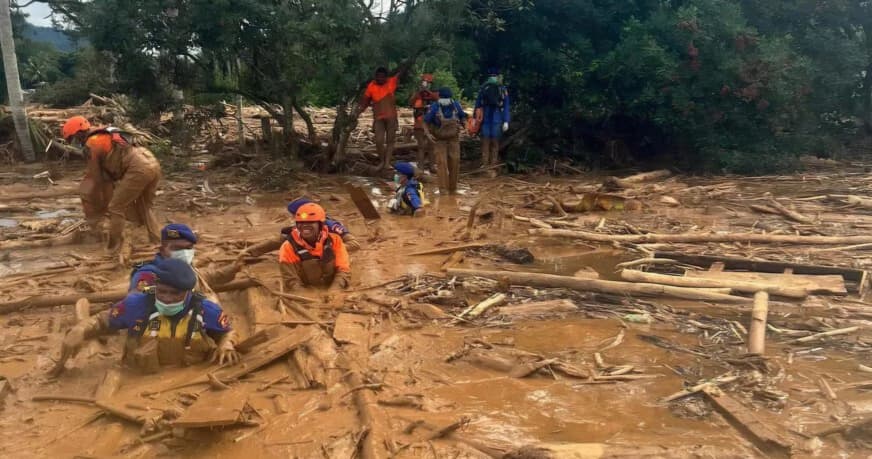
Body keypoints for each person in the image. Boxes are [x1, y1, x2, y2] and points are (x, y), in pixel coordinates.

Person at [58, 258, 240, 373]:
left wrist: (226, 344)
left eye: (175, 294)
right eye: (162, 292)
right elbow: (101, 320)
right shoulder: (135, 305)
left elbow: (227, 331)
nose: (167, 299)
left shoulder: (206, 309)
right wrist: (81, 329)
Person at [62, 116, 162, 251]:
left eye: (73, 138)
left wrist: (99, 205)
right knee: (145, 207)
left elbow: (97, 179)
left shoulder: (92, 143)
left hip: (137, 168)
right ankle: (157, 241)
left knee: (115, 208)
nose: (75, 143)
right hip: (151, 161)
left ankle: (113, 247)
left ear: (79, 133)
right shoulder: (105, 132)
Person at [129, 223, 243, 296]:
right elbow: (136, 301)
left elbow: (206, 277)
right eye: (177, 249)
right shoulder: (149, 274)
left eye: (188, 248)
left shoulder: (188, 269)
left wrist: (233, 268)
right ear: (162, 250)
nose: (183, 253)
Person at [279, 203, 352, 291]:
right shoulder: (287, 247)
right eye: (300, 222)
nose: (304, 225)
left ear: (320, 224)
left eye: (311, 222)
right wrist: (308, 298)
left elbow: (343, 270)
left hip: (332, 285)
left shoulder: (335, 240)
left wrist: (334, 291)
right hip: (305, 288)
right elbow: (291, 281)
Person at [424, 87, 468, 195]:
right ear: (439, 97)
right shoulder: (435, 107)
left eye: (446, 97)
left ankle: (453, 189)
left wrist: (465, 128)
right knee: (441, 164)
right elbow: (425, 121)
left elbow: (463, 118)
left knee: (455, 162)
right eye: (443, 97)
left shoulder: (456, 106)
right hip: (439, 140)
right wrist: (428, 134)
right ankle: (443, 190)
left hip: (454, 139)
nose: (445, 99)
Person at [357, 67, 403, 169]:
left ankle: (387, 163)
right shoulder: (371, 86)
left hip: (391, 117)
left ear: (386, 77)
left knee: (390, 141)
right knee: (378, 141)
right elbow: (365, 101)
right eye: (379, 77)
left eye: (383, 77)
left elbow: (401, 71)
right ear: (376, 77)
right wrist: (358, 113)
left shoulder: (391, 82)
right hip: (378, 118)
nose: (380, 79)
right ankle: (382, 161)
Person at [285, 198, 360, 251]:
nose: (293, 218)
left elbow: (354, 244)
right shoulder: (301, 227)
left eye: (295, 215)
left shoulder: (331, 225)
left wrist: (327, 249)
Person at [474, 68, 511, 168]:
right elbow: (506, 105)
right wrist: (506, 120)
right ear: (498, 76)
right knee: (495, 141)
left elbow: (478, 104)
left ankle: (484, 163)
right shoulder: (502, 88)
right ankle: (493, 164)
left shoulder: (483, 87)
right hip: (496, 117)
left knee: (485, 140)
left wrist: (475, 119)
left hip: (485, 117)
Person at [408, 74, 438, 169]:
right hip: (419, 124)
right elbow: (410, 103)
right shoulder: (417, 94)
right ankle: (420, 167)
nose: (426, 85)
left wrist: (427, 91)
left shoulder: (434, 94)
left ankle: (432, 166)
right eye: (425, 83)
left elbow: (437, 99)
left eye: (428, 83)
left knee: (431, 146)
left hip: (431, 124)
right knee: (421, 146)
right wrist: (419, 93)